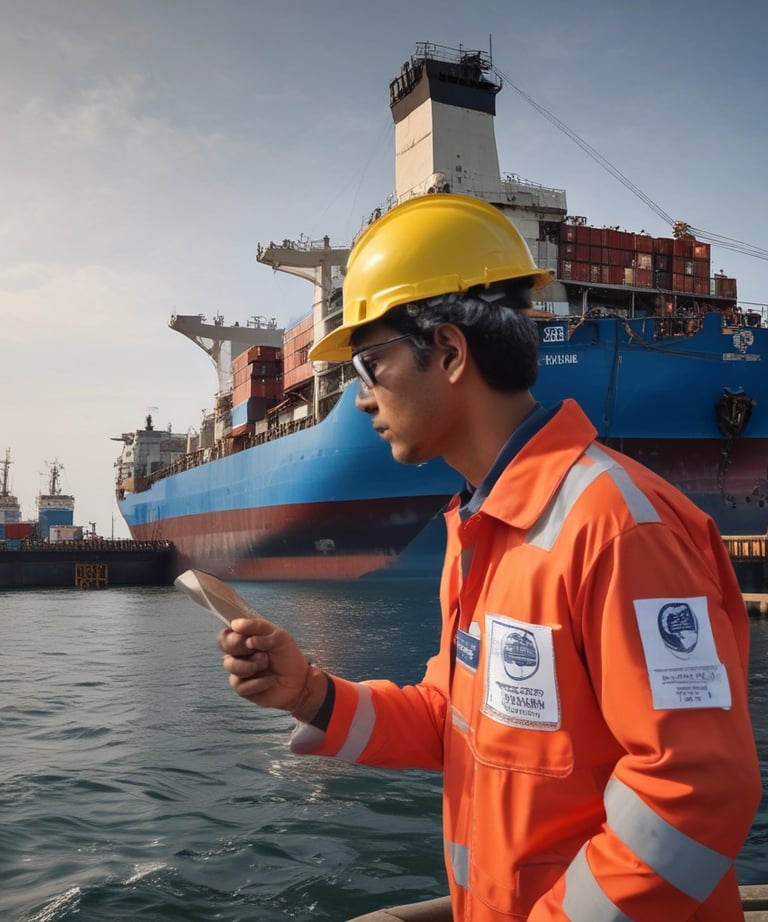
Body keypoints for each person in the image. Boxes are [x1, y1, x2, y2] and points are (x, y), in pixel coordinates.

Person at [219, 194, 761, 921]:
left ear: (448, 352)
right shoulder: (484, 526)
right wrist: (310, 693)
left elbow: (697, 789)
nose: (359, 399)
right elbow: (455, 718)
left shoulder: (617, 528)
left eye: (369, 364)